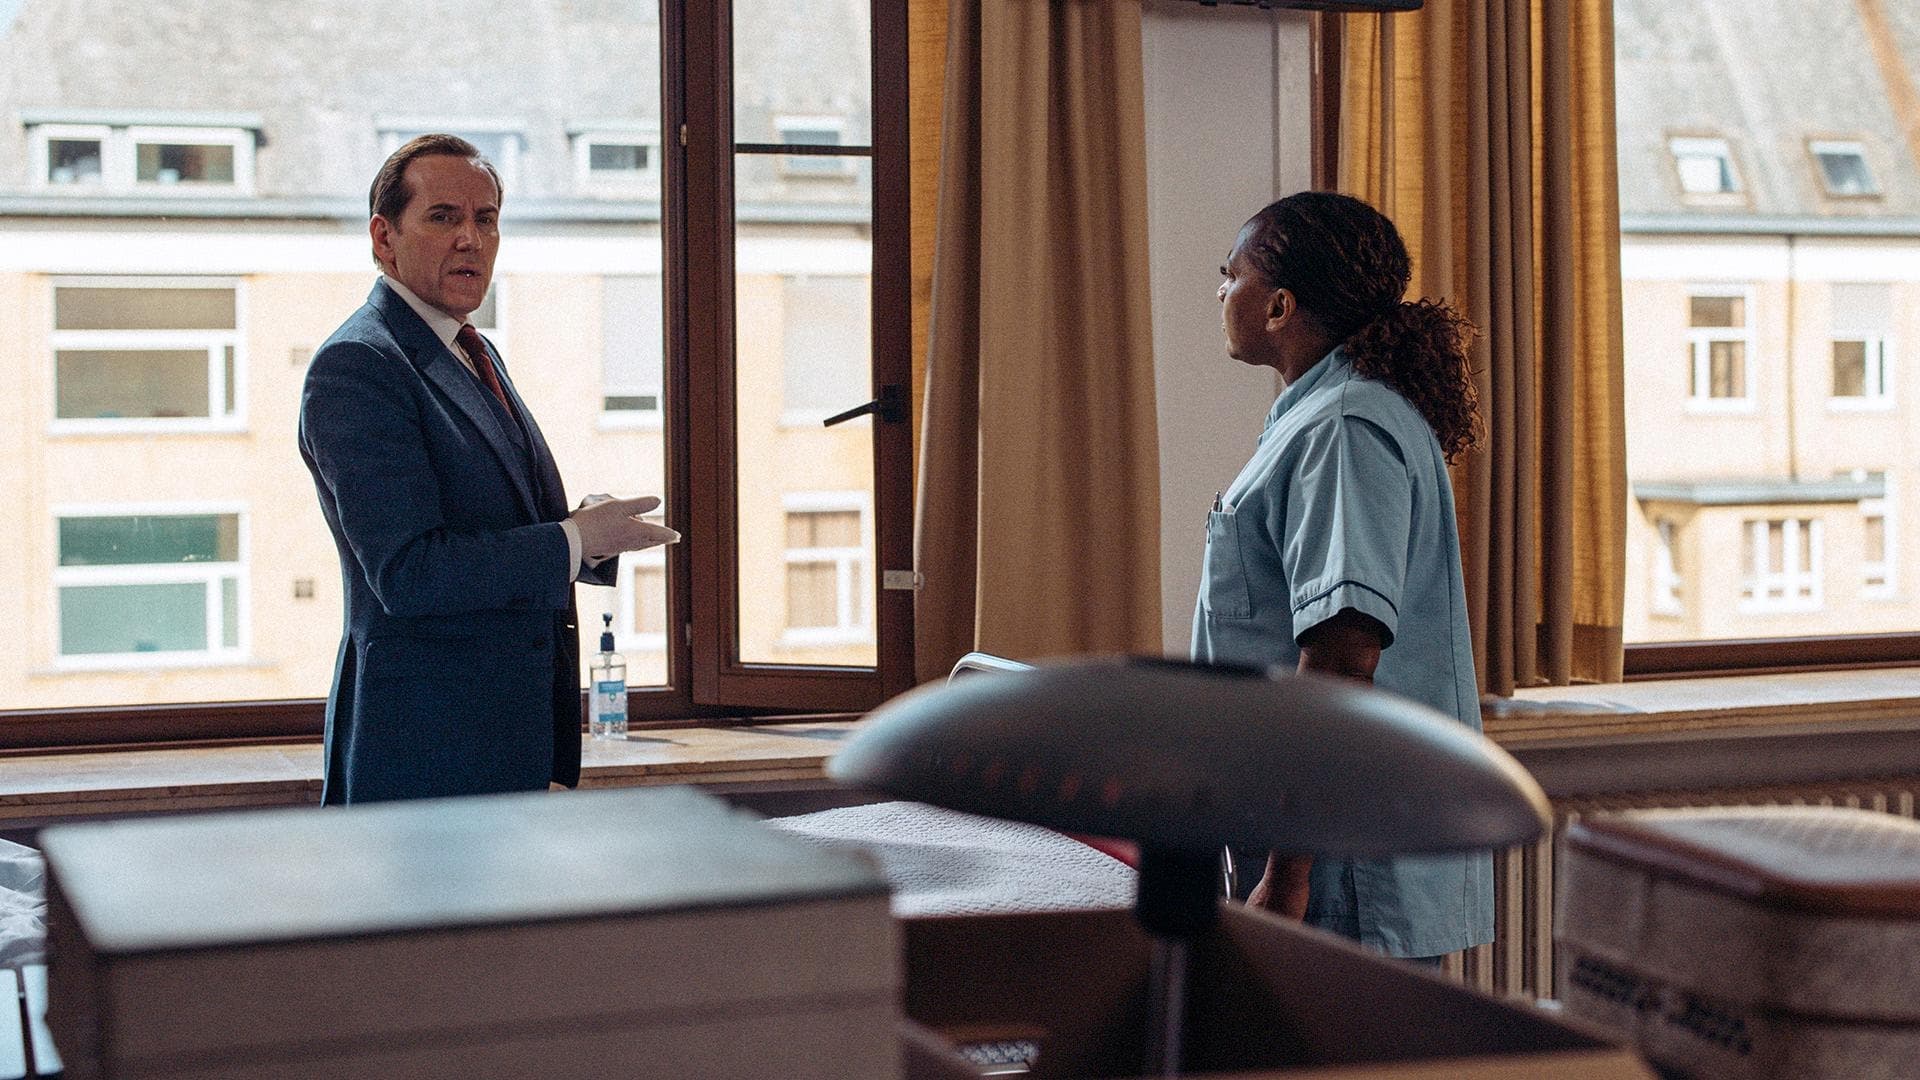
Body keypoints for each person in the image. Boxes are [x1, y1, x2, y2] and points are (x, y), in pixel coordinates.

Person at [298, 134, 678, 805]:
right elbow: (410, 573)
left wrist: (587, 533)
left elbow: (494, 523)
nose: (470, 239)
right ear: (384, 238)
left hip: (504, 744)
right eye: (443, 217)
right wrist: (572, 540)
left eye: (486, 219)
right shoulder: (359, 365)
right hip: (421, 754)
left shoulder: (472, 347)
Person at [1192, 191, 1492, 963]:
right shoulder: (1319, 415)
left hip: (1341, 866)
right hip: (1327, 848)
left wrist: (1288, 876)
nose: (1221, 292)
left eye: (1232, 275)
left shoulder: (1343, 428)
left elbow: (1343, 655)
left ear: (1279, 306)